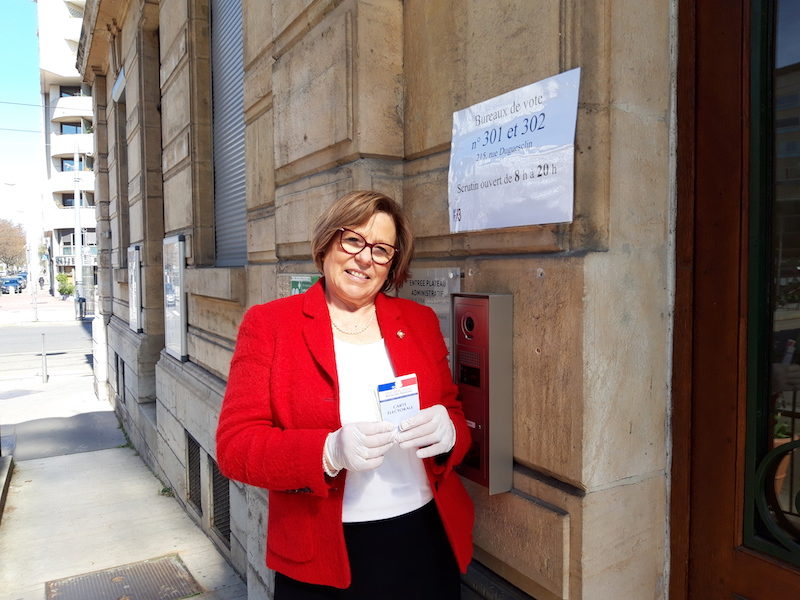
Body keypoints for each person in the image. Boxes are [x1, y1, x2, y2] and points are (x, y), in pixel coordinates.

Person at [216, 190, 474, 598]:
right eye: (353, 240)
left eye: (382, 249)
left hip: (424, 537)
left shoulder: (419, 321)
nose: (365, 257)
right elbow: (235, 447)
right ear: (327, 243)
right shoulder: (271, 325)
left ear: (392, 265)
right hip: (323, 553)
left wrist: (451, 434)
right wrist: (327, 451)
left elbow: (454, 414)